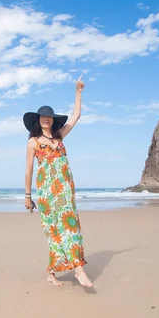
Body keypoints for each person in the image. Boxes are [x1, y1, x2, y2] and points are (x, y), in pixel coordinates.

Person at [23, 75, 93, 288]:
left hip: (65, 190)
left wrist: (78, 92)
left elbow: (76, 116)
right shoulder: (33, 142)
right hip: (47, 194)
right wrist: (28, 196)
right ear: (38, 120)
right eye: (43, 117)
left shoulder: (59, 137)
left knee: (71, 228)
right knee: (56, 231)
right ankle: (76, 270)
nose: (46, 119)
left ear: (53, 120)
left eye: (49, 117)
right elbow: (28, 171)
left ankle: (58, 271)